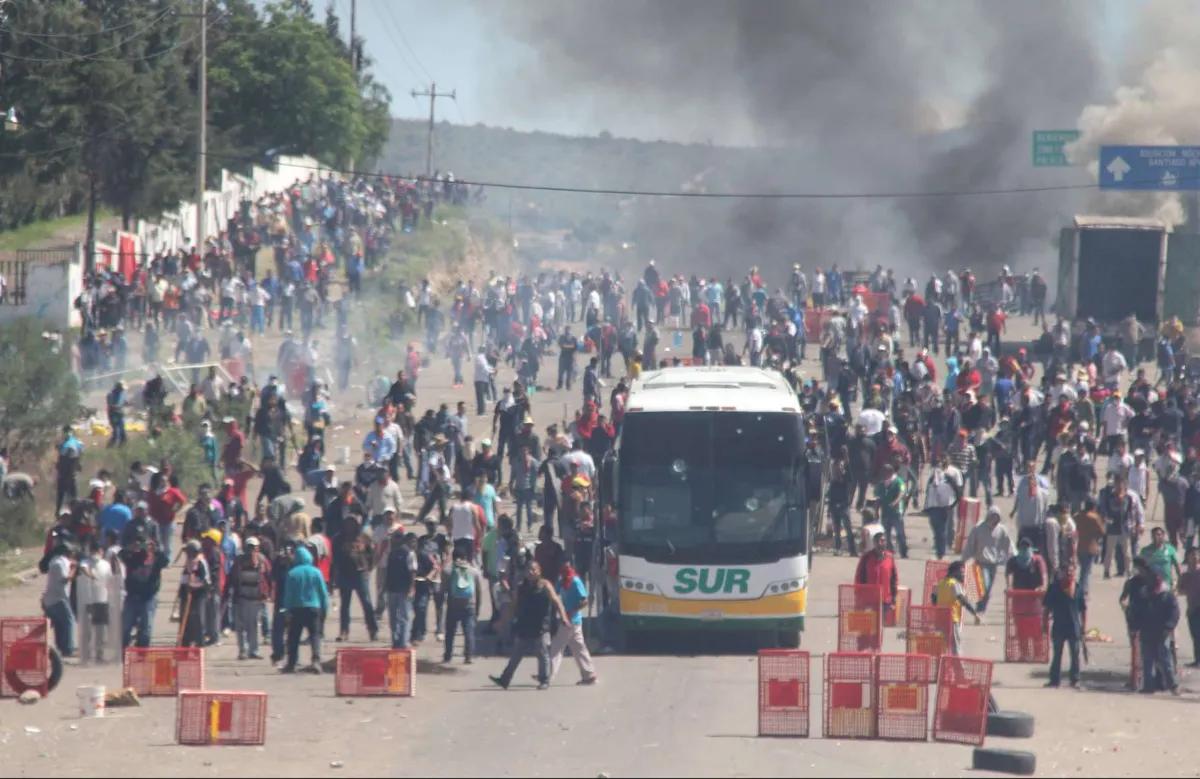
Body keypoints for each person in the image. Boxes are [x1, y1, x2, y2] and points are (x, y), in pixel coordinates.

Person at [490, 558, 571, 690]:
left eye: (534, 569)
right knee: (516, 655)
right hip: (525, 626)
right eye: (529, 569)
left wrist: (564, 617)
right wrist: (501, 621)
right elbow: (513, 604)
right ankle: (504, 680)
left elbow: (557, 601)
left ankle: (544, 680)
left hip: (541, 627)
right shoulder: (522, 587)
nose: (531, 572)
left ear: (539, 571)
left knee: (543, 653)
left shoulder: (545, 585)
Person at [548, 560, 598, 685]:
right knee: (578, 647)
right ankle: (589, 674)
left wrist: (572, 611)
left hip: (572, 619)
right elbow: (555, 594)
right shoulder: (562, 582)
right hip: (568, 618)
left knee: (557, 647)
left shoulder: (575, 581)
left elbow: (585, 600)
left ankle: (547, 675)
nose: (566, 572)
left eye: (568, 568)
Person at [281, 544, 329, 674]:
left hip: (297, 609)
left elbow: (288, 595)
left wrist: (287, 610)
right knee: (315, 636)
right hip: (314, 608)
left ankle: (291, 664)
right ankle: (316, 660)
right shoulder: (316, 572)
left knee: (294, 637)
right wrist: (325, 609)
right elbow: (323, 593)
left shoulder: (292, 573)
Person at [332, 516, 379, 642]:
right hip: (344, 573)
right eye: (347, 523)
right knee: (345, 605)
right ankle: (344, 631)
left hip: (360, 573)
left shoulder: (364, 537)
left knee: (366, 603)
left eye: (352, 523)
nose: (349, 526)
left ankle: (373, 630)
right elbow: (335, 558)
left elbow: (372, 554)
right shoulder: (338, 538)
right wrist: (335, 576)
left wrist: (368, 568)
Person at [960, 505, 1014, 615]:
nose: (994, 520)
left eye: (997, 517)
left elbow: (1009, 546)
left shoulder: (1001, 530)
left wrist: (1014, 557)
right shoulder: (978, 528)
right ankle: (980, 608)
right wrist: (963, 560)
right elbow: (970, 546)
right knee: (984, 585)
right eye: (992, 517)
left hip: (993, 564)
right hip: (981, 563)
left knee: (988, 590)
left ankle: (982, 608)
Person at [225, 536, 272, 661]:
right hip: (240, 599)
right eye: (249, 547)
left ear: (257, 548)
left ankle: (253, 651)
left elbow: (269, 576)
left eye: (253, 547)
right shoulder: (239, 561)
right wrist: (228, 593)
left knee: (254, 626)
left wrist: (268, 593)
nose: (251, 550)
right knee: (240, 627)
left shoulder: (262, 560)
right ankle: (243, 651)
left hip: (256, 599)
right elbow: (231, 578)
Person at [119, 535, 169, 648]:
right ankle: (124, 650)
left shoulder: (155, 559)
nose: (143, 548)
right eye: (141, 545)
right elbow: (121, 555)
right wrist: (130, 547)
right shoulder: (132, 557)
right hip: (132, 596)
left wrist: (156, 549)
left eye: (145, 545)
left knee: (146, 628)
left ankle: (142, 652)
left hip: (148, 597)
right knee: (126, 627)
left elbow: (165, 561)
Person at [1042, 563, 1083, 689]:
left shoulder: (1077, 587)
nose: (1069, 574)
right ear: (1062, 573)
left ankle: (1074, 680)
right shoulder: (1054, 588)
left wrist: (1083, 627)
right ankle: (1055, 680)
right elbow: (1046, 608)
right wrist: (1044, 624)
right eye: (1066, 572)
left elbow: (1083, 609)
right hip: (1059, 625)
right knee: (1057, 654)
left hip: (1074, 626)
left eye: (1072, 572)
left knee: (1075, 654)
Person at [443, 547, 484, 664]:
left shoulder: (448, 570)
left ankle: (448, 655)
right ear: (467, 558)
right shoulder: (475, 572)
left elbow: (443, 589)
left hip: (453, 604)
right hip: (469, 605)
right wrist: (478, 608)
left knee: (450, 631)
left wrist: (441, 602)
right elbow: (479, 591)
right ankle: (468, 656)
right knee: (469, 631)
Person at [932, 561, 982, 657]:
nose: (963, 575)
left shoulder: (941, 583)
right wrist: (974, 613)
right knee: (956, 647)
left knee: (942, 647)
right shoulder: (954, 584)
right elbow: (962, 600)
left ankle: (943, 669)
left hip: (939, 620)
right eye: (961, 572)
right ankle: (959, 670)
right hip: (951, 619)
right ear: (954, 572)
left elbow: (933, 599)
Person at [41, 541, 76, 658]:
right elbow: (65, 579)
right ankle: (67, 649)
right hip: (57, 599)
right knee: (68, 621)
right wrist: (73, 569)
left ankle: (59, 648)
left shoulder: (57, 561)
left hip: (52, 598)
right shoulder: (59, 563)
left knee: (57, 624)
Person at [854, 531, 898, 621]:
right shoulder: (866, 557)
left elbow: (894, 580)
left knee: (880, 626)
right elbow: (859, 578)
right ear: (873, 543)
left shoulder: (890, 558)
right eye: (877, 541)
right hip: (869, 600)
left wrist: (893, 599)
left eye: (882, 541)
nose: (880, 544)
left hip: (885, 599)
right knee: (868, 627)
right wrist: (859, 597)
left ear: (886, 542)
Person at [384, 531, 418, 650]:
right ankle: (398, 641)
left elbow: (412, 572)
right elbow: (387, 571)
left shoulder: (408, 553)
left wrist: (411, 587)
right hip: (395, 589)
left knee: (401, 616)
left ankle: (401, 641)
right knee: (397, 617)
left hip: (402, 589)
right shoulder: (392, 553)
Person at [179, 539, 212, 648]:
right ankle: (184, 646)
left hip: (199, 596)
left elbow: (206, 582)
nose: (188, 554)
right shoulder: (188, 562)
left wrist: (194, 586)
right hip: (187, 595)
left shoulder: (201, 562)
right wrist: (183, 589)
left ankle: (199, 645)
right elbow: (184, 578)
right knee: (185, 621)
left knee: (198, 621)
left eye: (190, 551)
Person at [1177, 547, 1200, 667]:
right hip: (1192, 608)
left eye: (1196, 555)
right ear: (1188, 558)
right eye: (1192, 555)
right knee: (1196, 635)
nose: (1195, 557)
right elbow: (1180, 590)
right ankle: (1198, 660)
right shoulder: (1185, 575)